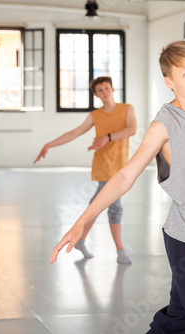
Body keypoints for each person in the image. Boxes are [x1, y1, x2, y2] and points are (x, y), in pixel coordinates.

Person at [51, 41, 185, 333]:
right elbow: (126, 176)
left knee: (178, 322)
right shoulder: (163, 126)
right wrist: (81, 221)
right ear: (169, 82)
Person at [34, 76, 137, 264]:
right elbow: (74, 133)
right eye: (100, 90)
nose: (104, 92)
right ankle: (120, 251)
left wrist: (107, 137)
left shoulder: (127, 109)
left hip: (120, 166)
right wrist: (49, 144)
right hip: (104, 166)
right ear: (96, 95)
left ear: (113, 89)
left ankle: (80, 240)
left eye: (106, 88)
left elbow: (131, 130)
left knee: (95, 205)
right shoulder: (95, 116)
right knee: (114, 207)